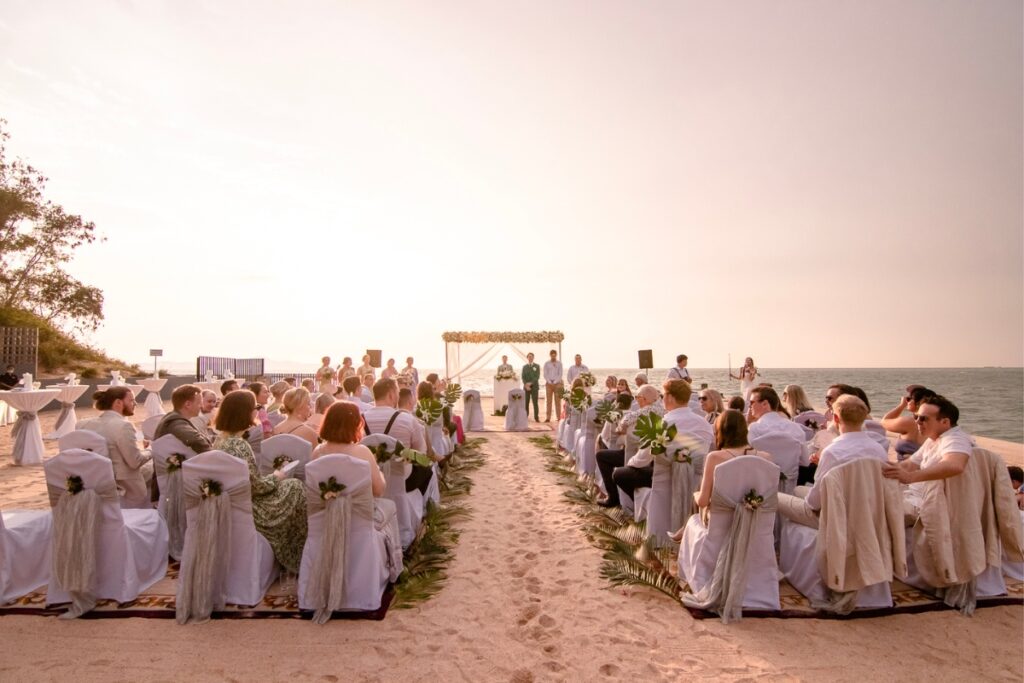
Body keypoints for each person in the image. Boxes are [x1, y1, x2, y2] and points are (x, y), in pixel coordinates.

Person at [213, 389, 307, 574]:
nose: (258, 410)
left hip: (231, 503)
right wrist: (277, 476)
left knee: (292, 486)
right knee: (295, 486)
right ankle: (298, 556)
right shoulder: (239, 444)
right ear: (245, 412)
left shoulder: (220, 440)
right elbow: (256, 487)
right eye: (255, 406)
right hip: (252, 508)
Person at [776, 395, 889, 527]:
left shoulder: (833, 452)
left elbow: (814, 503)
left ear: (835, 418)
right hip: (866, 511)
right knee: (798, 490)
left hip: (835, 516)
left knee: (777, 497)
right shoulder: (878, 450)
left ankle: (782, 542)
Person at [605, 380, 713, 509]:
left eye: (663, 396)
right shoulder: (705, 424)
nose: (661, 399)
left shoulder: (663, 424)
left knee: (620, 474)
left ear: (670, 398)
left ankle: (644, 508)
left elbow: (641, 460)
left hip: (666, 480)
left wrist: (630, 462)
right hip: (696, 479)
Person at [677, 410, 772, 535]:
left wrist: (695, 494)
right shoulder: (766, 457)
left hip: (721, 522)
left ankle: (682, 533)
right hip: (753, 518)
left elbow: (703, 502)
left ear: (720, 431)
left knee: (698, 494)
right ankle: (681, 533)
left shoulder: (715, 457)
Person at [883, 395, 974, 515]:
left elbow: (955, 465)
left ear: (945, 422)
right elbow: (910, 464)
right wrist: (881, 470)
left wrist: (910, 477)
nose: (917, 422)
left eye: (923, 419)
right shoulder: (933, 438)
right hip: (914, 496)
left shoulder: (955, 439)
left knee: (870, 511)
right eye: (916, 417)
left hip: (926, 505)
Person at [78, 387, 153, 509]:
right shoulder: (123, 426)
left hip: (92, 481)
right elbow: (135, 462)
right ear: (118, 402)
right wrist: (150, 450)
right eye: (131, 400)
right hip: (124, 485)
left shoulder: (82, 424)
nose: (135, 403)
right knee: (157, 466)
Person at [596, 384, 661, 507]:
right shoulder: (663, 412)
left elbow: (623, 425)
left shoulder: (641, 413)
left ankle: (613, 497)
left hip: (637, 456)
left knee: (601, 456)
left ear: (645, 399)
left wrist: (622, 427)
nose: (636, 400)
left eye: (638, 397)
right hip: (653, 459)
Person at [364, 378, 432, 494]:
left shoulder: (360, 420)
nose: (398, 397)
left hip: (370, 478)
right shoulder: (407, 419)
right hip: (403, 478)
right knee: (427, 467)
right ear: (391, 395)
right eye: (397, 393)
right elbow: (421, 453)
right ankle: (425, 505)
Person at [312, 402, 386, 497]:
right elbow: (378, 491)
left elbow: (314, 490)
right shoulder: (362, 452)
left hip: (324, 510)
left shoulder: (317, 452)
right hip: (358, 510)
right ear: (354, 425)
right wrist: (380, 474)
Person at [881, 384, 937, 460]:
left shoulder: (908, 422)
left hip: (905, 468)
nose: (907, 401)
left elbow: (884, 422)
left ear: (917, 403)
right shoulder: (937, 424)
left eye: (908, 399)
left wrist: (901, 405)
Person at [155, 384, 213, 454]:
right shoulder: (176, 422)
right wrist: (213, 455)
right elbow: (195, 440)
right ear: (188, 404)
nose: (201, 406)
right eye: (199, 403)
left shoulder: (171, 417)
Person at [543, 350, 564, 422]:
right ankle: (548, 417)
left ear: (556, 355)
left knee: (557, 401)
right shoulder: (546, 363)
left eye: (554, 355)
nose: (553, 356)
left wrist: (555, 382)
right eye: (552, 355)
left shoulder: (559, 364)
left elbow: (560, 374)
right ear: (550, 355)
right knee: (549, 401)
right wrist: (549, 381)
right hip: (548, 384)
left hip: (557, 384)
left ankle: (558, 417)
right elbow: (545, 374)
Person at [522, 352, 541, 421]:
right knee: (526, 403)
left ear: (533, 357)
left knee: (535, 403)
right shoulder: (524, 367)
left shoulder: (537, 366)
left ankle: (536, 417)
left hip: (534, 387)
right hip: (526, 387)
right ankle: (525, 417)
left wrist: (531, 383)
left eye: (531, 356)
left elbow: (537, 377)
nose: (530, 358)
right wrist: (526, 384)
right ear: (527, 358)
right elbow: (523, 377)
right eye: (529, 356)